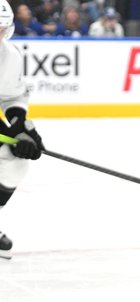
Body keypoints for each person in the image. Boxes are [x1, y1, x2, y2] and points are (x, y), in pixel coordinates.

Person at [0, 0, 45, 259]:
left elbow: (12, 98)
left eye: (0, 30)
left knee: (15, 162)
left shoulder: (9, 55)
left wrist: (21, 127)